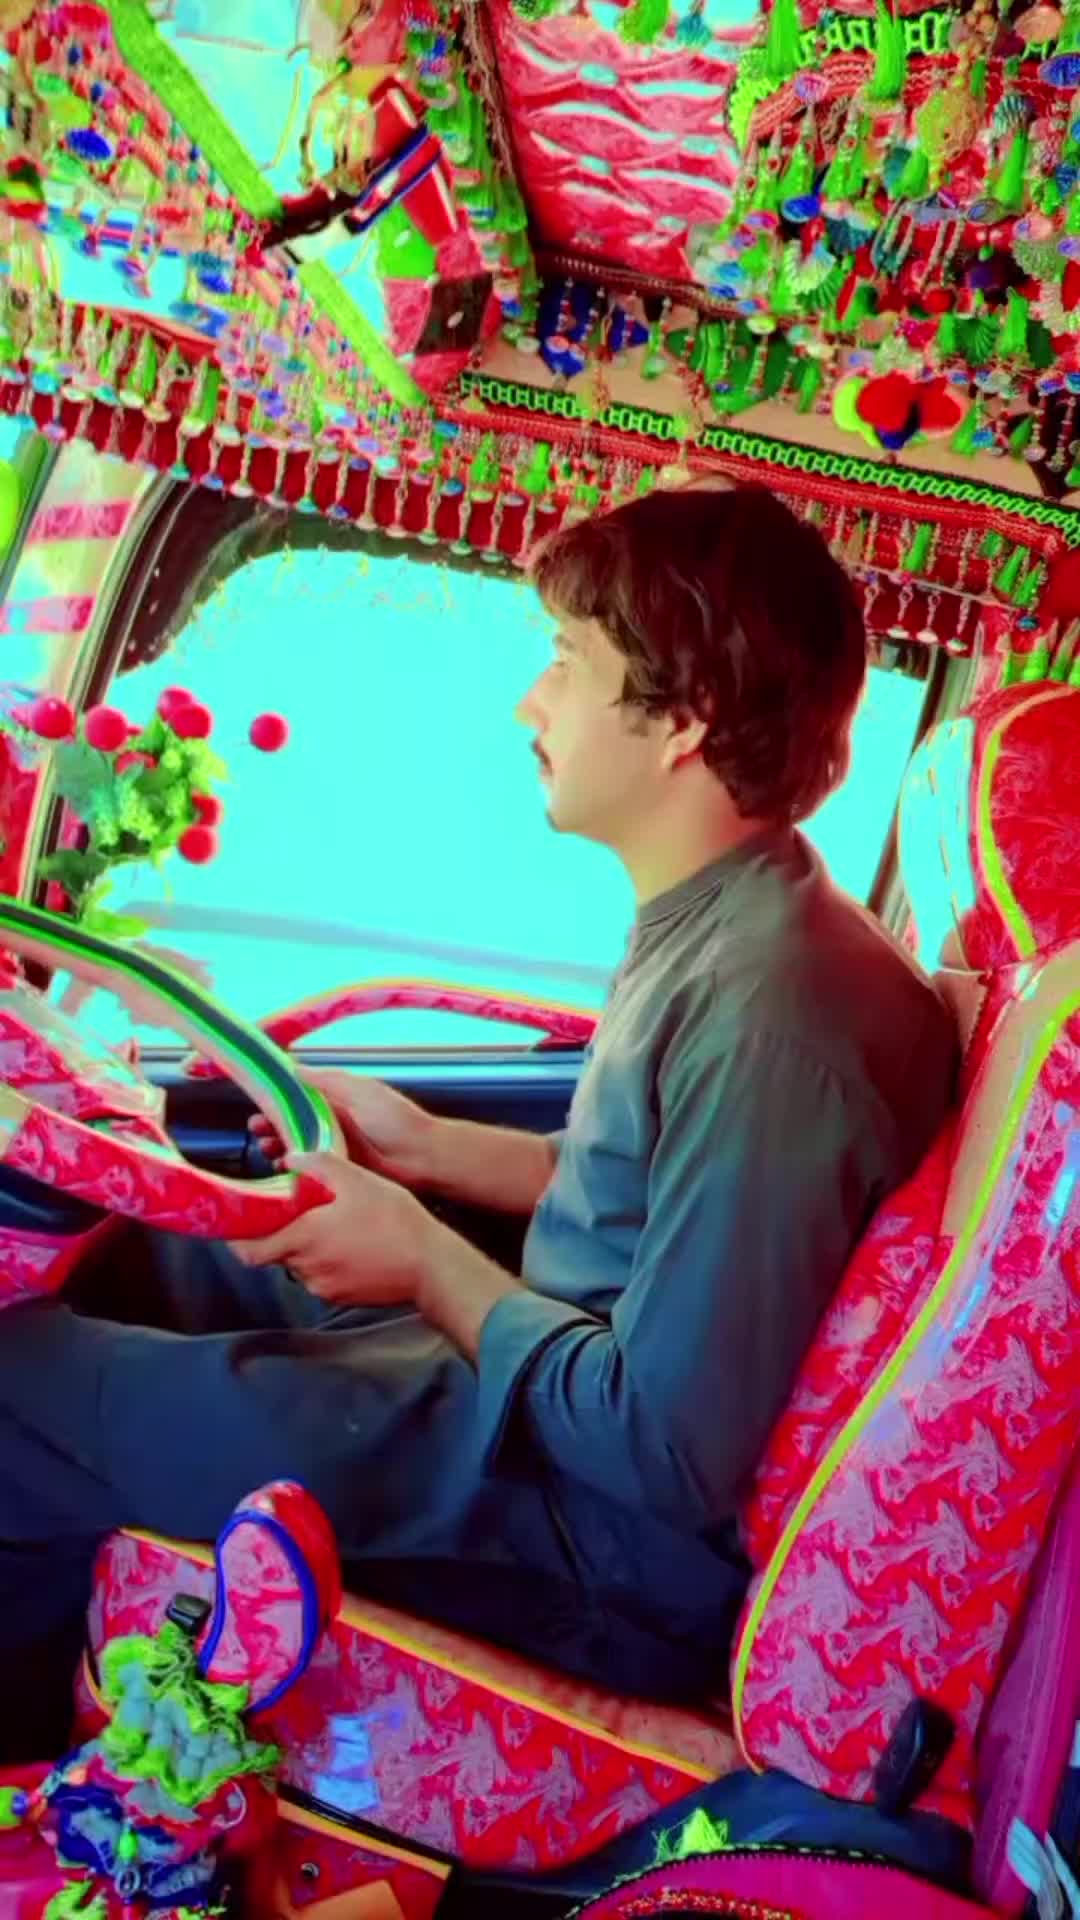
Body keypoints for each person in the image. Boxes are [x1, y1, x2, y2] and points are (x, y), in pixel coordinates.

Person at [0, 483, 957, 1762]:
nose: (530, 704)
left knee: (18, 1392)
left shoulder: (779, 1015)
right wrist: (423, 1149)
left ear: (683, 719)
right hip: (526, 1414)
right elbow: (643, 1197)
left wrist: (420, 1259)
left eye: (567, 662)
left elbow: (661, 1452)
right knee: (136, 1247)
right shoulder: (728, 919)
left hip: (587, 1542)